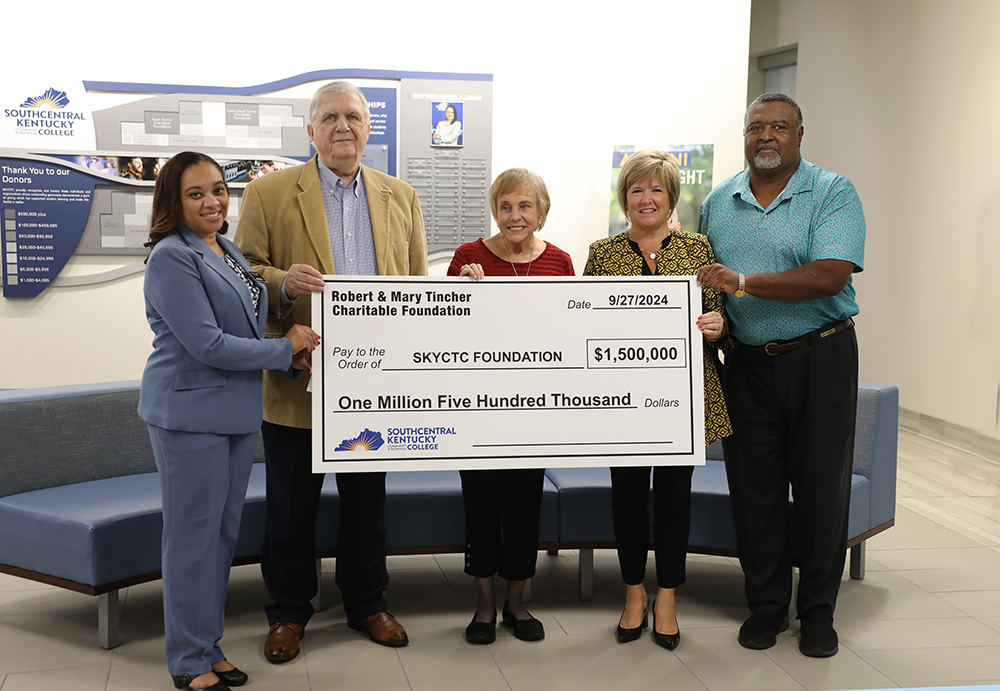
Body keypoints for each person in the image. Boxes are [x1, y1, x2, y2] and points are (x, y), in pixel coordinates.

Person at [236, 80, 428, 662]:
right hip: (299, 378)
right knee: (292, 506)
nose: (343, 126)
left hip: (373, 384)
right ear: (311, 129)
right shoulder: (268, 193)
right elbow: (241, 272)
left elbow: (417, 286)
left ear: (369, 127)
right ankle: (289, 613)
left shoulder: (401, 195)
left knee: (368, 505)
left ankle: (368, 602)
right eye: (330, 117)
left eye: (354, 116)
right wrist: (280, 283)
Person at [138, 152, 317, 691]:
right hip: (189, 415)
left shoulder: (225, 247)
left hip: (234, 413)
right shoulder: (172, 257)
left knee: (220, 537)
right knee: (191, 539)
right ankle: (187, 661)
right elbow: (208, 344)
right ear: (173, 201)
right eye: (196, 194)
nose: (213, 201)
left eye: (218, 189)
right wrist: (283, 350)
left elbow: (246, 313)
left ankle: (207, 646)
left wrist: (284, 308)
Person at [696, 92, 865, 658]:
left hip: (820, 358)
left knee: (821, 490)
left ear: (799, 133)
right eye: (754, 127)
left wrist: (744, 282)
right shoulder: (719, 201)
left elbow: (828, 275)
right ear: (743, 135)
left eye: (779, 127)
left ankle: (818, 612)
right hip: (747, 364)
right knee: (755, 493)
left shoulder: (833, 191)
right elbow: (703, 280)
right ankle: (767, 606)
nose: (766, 136)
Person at [583, 150, 731, 651]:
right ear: (624, 199)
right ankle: (632, 595)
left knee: (673, 502)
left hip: (682, 403)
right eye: (636, 191)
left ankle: (665, 597)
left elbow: (719, 320)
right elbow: (583, 325)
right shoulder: (602, 253)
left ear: (671, 198)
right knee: (626, 502)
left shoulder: (698, 248)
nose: (646, 199)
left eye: (657, 190)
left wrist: (718, 327)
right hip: (622, 404)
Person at [447, 168, 574, 644]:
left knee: (524, 508)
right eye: (505, 206)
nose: (515, 215)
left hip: (533, 411)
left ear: (540, 212)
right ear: (494, 210)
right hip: (477, 410)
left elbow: (570, 330)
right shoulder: (468, 257)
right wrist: (463, 296)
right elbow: (443, 332)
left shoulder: (559, 261)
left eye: (525, 206)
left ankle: (516, 604)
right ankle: (483, 607)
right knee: (481, 507)